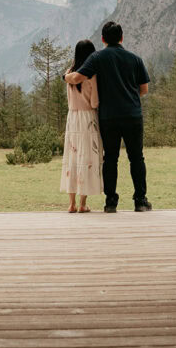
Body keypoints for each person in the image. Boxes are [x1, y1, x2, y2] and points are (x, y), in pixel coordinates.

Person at [64, 21, 151, 213]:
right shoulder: (135, 59)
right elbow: (144, 89)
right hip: (132, 115)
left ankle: (111, 201)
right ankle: (140, 201)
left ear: (103, 39)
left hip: (108, 117)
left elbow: (77, 78)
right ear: (121, 37)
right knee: (136, 157)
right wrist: (129, 94)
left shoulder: (97, 58)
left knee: (110, 158)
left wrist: (65, 77)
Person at [59, 40, 103, 213]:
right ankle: (83, 204)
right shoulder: (91, 75)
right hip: (88, 118)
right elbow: (94, 102)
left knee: (72, 158)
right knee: (87, 159)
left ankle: (71, 203)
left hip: (72, 117)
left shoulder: (68, 73)